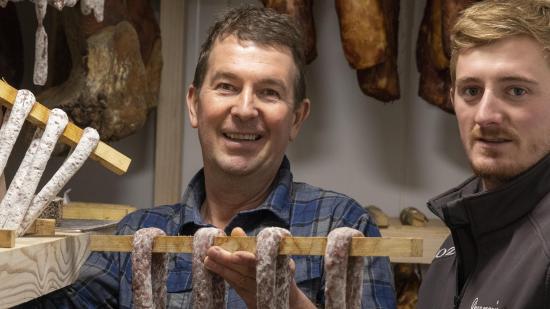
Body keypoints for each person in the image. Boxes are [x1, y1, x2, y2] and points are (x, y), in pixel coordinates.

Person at [22, 6, 396, 308]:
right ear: (194, 105)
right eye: (226, 87)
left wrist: (288, 304)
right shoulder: (137, 235)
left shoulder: (341, 224)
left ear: (297, 118)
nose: (245, 108)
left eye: (269, 92)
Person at [417, 0, 550, 308]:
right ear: (452, 98)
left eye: (516, 91)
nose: (485, 115)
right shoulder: (461, 234)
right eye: (471, 91)